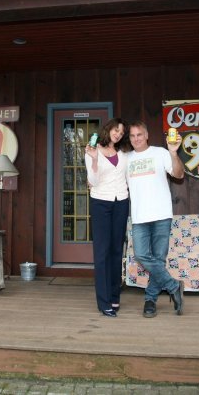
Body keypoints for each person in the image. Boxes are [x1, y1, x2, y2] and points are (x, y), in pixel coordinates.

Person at [126, 121, 185, 318]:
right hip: (140, 216)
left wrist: (174, 153)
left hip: (161, 215)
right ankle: (173, 286)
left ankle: (150, 300)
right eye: (132, 136)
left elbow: (179, 174)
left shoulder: (161, 153)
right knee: (142, 255)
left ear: (147, 135)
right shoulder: (126, 158)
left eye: (139, 135)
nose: (136, 139)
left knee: (158, 259)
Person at [84, 118, 131, 317]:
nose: (118, 134)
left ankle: (114, 296)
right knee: (102, 253)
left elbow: (128, 179)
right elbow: (93, 181)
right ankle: (103, 302)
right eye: (116, 130)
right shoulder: (92, 150)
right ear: (108, 129)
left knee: (115, 251)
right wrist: (94, 159)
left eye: (121, 132)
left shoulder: (124, 154)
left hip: (121, 202)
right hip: (100, 203)